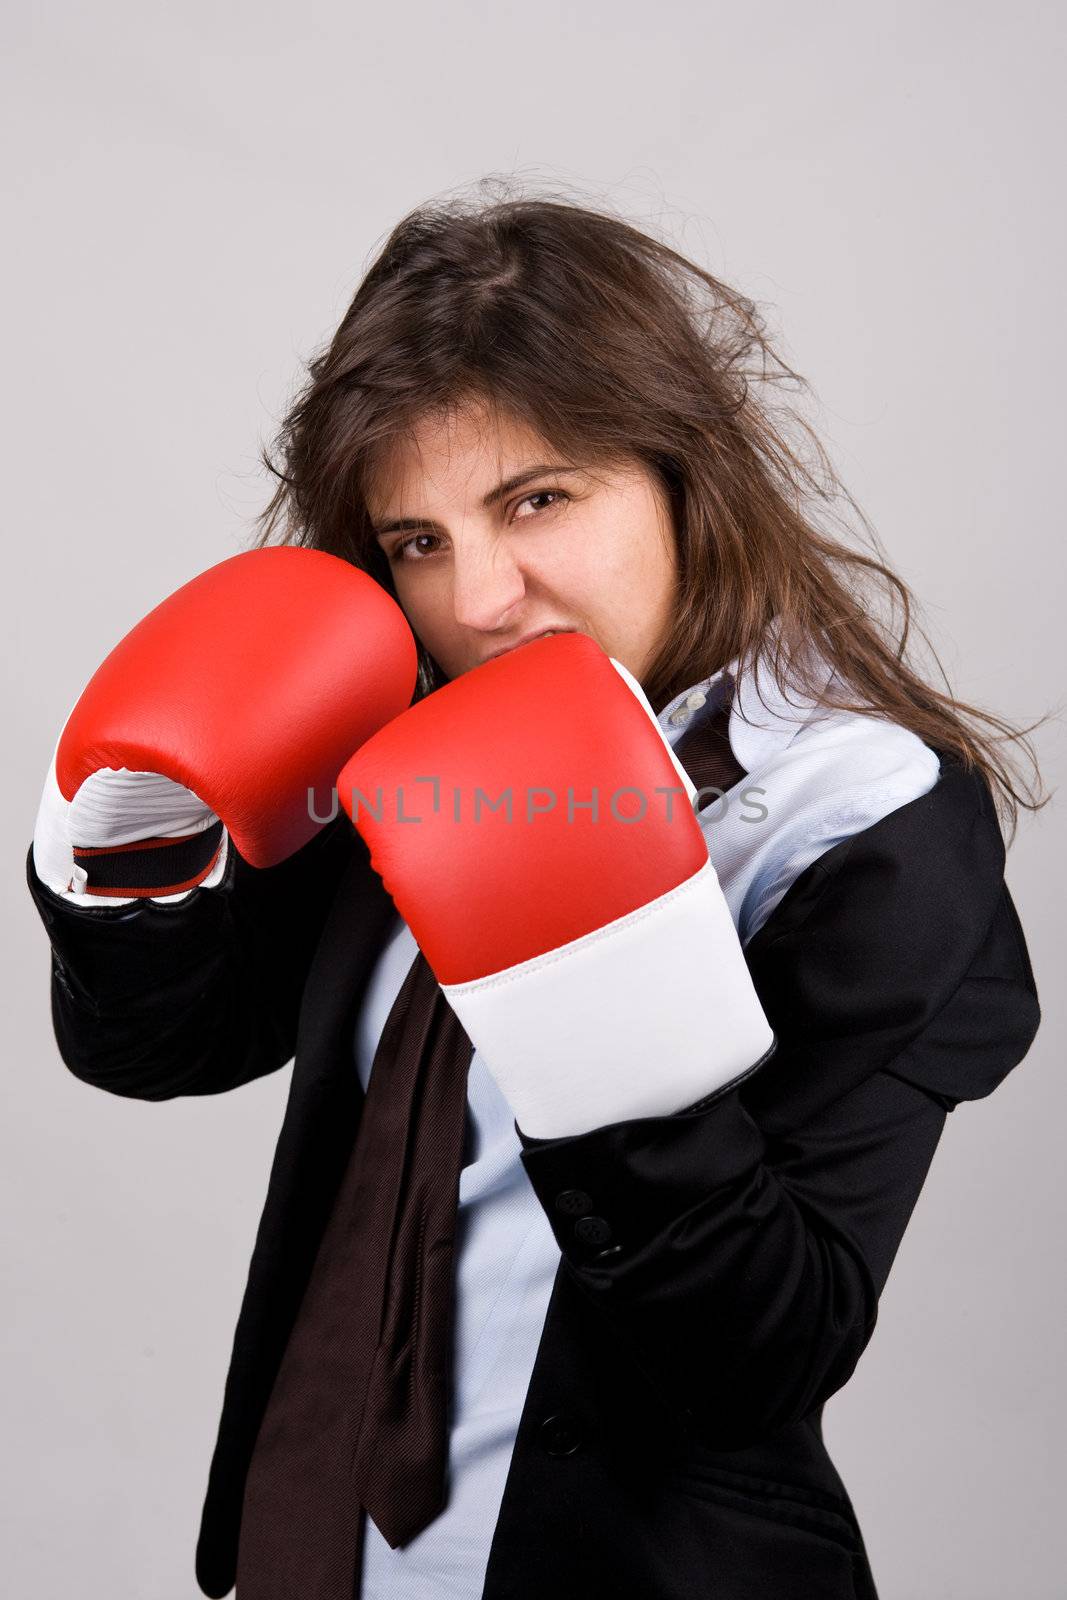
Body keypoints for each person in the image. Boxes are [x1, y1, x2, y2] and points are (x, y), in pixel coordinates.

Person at [27, 189, 1047, 1600]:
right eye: (418, 542)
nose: (483, 599)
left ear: (685, 473)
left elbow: (772, 1348)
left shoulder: (855, 810)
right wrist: (128, 848)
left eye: (538, 501)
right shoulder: (404, 747)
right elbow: (162, 1047)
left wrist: (604, 991)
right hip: (309, 1557)